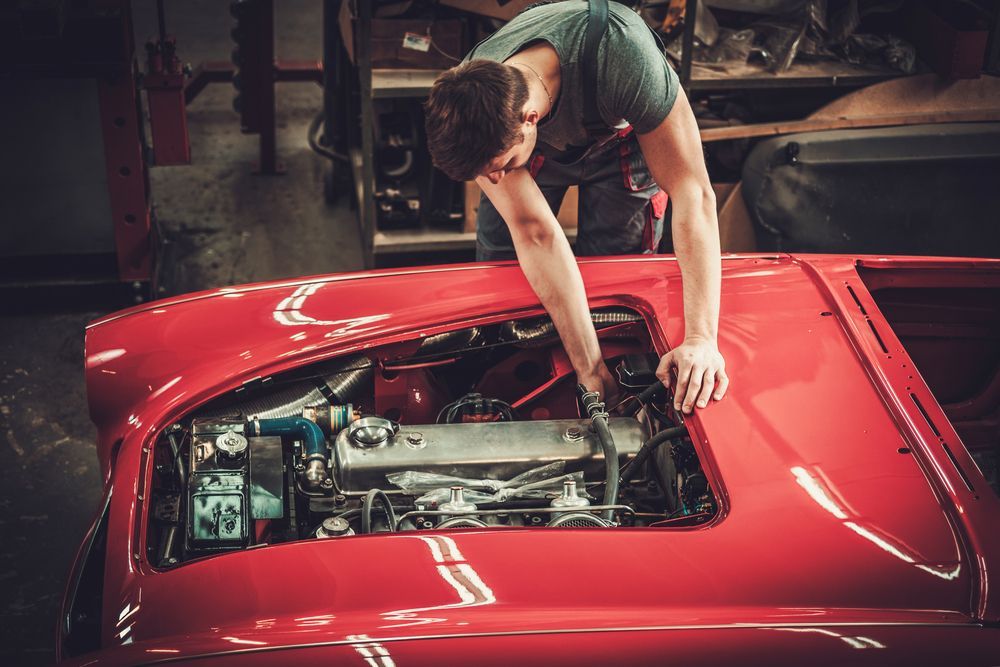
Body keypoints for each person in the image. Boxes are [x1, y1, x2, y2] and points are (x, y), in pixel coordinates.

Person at [424, 0, 727, 414]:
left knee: (617, 284)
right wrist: (588, 368)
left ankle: (625, 386)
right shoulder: (478, 97)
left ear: (529, 118)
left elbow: (693, 193)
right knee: (508, 286)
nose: (494, 182)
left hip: (622, 139)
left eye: (500, 169)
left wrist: (701, 340)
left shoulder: (625, 57)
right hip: (539, 149)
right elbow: (535, 232)